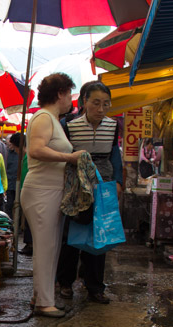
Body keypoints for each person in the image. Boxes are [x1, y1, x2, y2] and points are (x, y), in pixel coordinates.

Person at [20, 72, 84, 318]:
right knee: (46, 247)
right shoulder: (44, 117)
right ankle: (44, 303)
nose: (71, 100)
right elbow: (36, 150)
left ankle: (40, 296)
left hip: (51, 191)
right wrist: (70, 157)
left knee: (52, 247)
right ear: (60, 93)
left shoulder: (52, 119)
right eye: (69, 94)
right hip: (41, 191)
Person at [56, 81, 122, 305]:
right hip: (75, 183)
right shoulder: (68, 124)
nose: (101, 109)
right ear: (84, 101)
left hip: (103, 183)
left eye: (106, 104)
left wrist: (119, 182)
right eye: (96, 103)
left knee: (100, 234)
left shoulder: (114, 126)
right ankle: (65, 282)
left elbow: (115, 155)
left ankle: (94, 285)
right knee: (71, 233)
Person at [10, 132, 33, 256]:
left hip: (29, 192)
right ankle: (28, 243)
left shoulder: (28, 157)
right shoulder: (26, 157)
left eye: (14, 147)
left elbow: (25, 177)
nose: (15, 151)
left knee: (29, 220)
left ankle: (30, 245)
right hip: (26, 192)